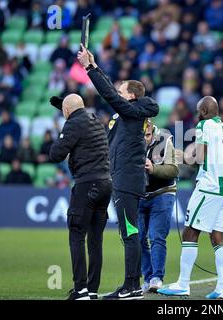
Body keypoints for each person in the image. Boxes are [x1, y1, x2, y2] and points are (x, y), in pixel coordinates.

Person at [77, 44, 159, 300]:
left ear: (131, 97)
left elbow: (110, 95)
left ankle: (131, 286)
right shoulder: (129, 114)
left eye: (122, 92)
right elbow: (113, 92)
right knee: (131, 233)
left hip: (126, 180)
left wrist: (90, 68)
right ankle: (132, 285)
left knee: (130, 233)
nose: (118, 94)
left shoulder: (131, 112)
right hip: (124, 178)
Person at [158, 96, 223, 299]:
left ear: (205, 112)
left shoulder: (204, 125)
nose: (197, 114)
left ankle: (183, 284)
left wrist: (178, 156)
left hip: (209, 187)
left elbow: (198, 158)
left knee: (190, 232)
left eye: (199, 111)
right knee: (218, 237)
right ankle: (221, 288)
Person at [49, 94, 112, 300]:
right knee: (95, 240)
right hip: (105, 184)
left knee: (76, 234)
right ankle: (92, 290)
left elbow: (56, 153)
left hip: (87, 184)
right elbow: (76, 114)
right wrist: (66, 108)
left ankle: (81, 290)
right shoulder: (94, 120)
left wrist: (61, 132)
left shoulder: (73, 124)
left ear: (67, 112)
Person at [138, 120, 178, 293]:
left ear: (153, 131)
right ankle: (147, 278)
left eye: (147, 135)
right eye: (142, 136)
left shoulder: (165, 140)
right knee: (138, 238)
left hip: (163, 192)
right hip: (139, 195)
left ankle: (157, 277)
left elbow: (173, 170)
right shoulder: (130, 140)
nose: (145, 139)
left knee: (156, 236)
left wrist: (153, 168)